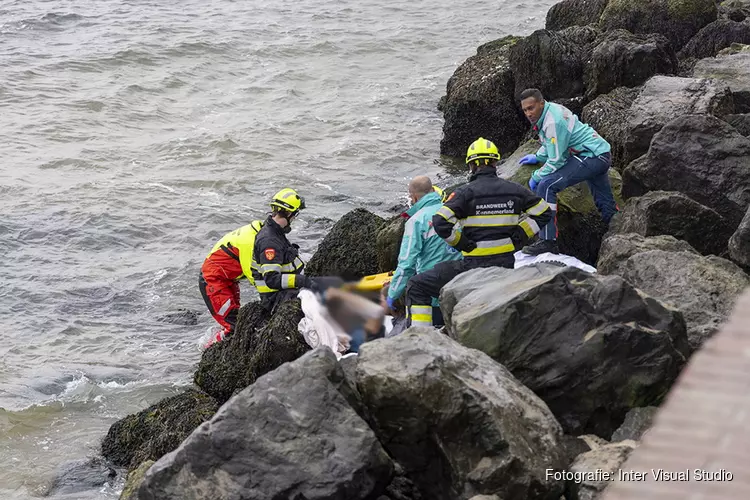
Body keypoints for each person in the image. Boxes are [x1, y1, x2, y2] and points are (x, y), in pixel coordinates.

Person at [404, 137, 553, 328]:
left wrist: (460, 242)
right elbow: (544, 213)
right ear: (495, 162)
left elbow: (440, 222)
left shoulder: (464, 194)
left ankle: (420, 336)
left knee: (417, 285)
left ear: (471, 166)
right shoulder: (515, 190)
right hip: (505, 265)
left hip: (472, 267)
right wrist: (519, 236)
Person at [518, 88, 618, 255]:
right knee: (604, 201)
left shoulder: (553, 121)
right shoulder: (550, 111)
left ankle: (548, 241)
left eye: (531, 108)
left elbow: (557, 159)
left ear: (541, 103)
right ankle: (618, 232)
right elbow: (553, 143)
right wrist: (538, 157)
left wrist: (536, 176)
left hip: (591, 156)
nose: (528, 113)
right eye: (525, 110)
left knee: (546, 185)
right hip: (599, 152)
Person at [386, 176, 463, 326]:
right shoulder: (452, 212)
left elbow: (406, 263)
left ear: (413, 197)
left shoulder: (416, 221)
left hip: (431, 290)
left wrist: (392, 294)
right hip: (459, 282)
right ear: (433, 190)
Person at [251, 188, 325, 312]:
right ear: (288, 213)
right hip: (275, 298)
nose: (294, 218)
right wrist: (303, 281)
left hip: (284, 292)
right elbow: (272, 279)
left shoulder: (276, 232)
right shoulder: (270, 241)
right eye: (295, 214)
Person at [200, 219, 265, 347]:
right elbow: (250, 272)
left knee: (238, 319)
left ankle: (220, 339)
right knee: (234, 325)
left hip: (229, 280)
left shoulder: (255, 232)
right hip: (213, 281)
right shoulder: (249, 241)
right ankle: (210, 347)